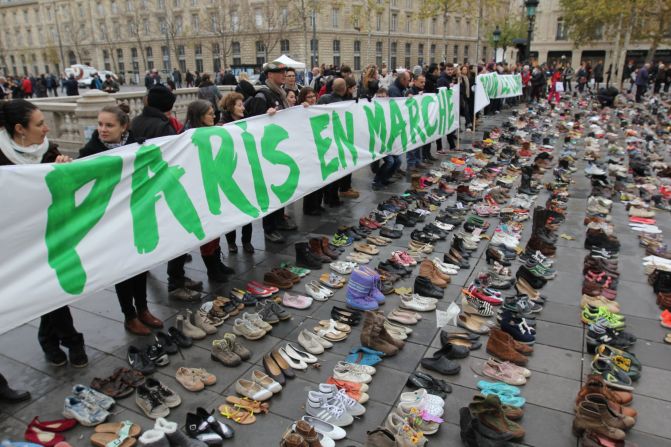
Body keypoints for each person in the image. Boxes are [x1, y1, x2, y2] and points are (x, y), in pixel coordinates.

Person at [0, 99, 88, 367]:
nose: (47, 128)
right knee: (47, 288)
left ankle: (50, 339)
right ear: (20, 129)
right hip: (18, 237)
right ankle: (70, 340)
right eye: (39, 124)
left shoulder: (49, 151)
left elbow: (62, 186)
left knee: (51, 286)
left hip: (51, 231)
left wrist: (64, 166)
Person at [78, 104, 163, 335]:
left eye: (109, 125)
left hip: (137, 214)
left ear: (123, 126)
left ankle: (143, 308)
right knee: (122, 269)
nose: (102, 130)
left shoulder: (137, 144)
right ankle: (130, 315)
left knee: (140, 264)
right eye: (100, 124)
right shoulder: (89, 153)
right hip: (111, 221)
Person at [131, 85, 203, 301]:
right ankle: (176, 282)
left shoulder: (137, 122)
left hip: (144, 187)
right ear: (169, 105)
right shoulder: (163, 127)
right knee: (178, 235)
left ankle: (164, 274)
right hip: (165, 187)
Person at [181, 99, 237, 281]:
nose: (214, 116)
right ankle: (212, 271)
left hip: (213, 186)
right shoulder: (188, 137)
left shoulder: (209, 131)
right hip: (200, 190)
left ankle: (217, 264)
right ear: (199, 116)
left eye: (213, 112)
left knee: (217, 228)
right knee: (208, 232)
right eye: (210, 113)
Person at [245, 60, 297, 243]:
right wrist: (266, 116)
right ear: (269, 75)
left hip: (281, 148)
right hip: (268, 152)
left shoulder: (280, 93)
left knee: (281, 187)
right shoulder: (262, 96)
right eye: (279, 72)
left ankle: (279, 219)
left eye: (284, 71)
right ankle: (269, 227)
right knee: (270, 189)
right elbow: (255, 124)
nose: (283, 74)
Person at [219, 92, 255, 253]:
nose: (243, 107)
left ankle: (246, 241)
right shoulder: (221, 125)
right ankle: (231, 242)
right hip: (229, 172)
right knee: (231, 209)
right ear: (230, 107)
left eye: (243, 104)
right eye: (240, 105)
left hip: (245, 171)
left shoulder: (247, 121)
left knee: (248, 208)